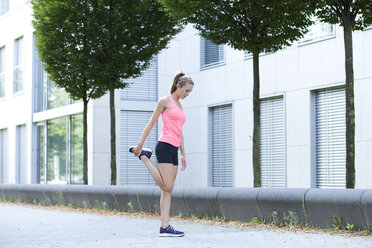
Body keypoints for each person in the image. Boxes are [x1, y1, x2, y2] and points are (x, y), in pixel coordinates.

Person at [129, 72, 194, 237]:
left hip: (174, 149)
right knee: (167, 186)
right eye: (186, 91)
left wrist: (183, 153)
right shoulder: (165, 101)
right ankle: (144, 157)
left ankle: (165, 227)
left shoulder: (180, 105)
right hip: (164, 146)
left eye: (190, 92)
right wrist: (140, 144)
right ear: (178, 86)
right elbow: (151, 123)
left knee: (168, 191)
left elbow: (180, 132)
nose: (187, 95)